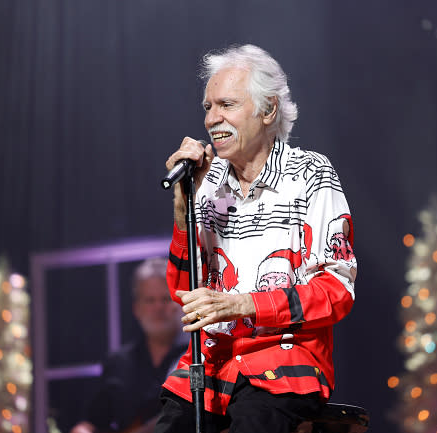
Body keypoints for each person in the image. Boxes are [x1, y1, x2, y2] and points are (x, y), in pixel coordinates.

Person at [156, 44, 358, 433]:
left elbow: (337, 291)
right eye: (207, 107)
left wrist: (244, 304)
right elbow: (185, 293)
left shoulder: (311, 175)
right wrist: (183, 211)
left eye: (226, 105)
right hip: (211, 368)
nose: (213, 119)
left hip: (282, 366)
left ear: (268, 110)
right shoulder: (207, 183)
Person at [70, 257, 188, 433]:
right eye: (150, 300)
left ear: (180, 304)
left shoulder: (199, 357)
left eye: (165, 298)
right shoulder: (118, 363)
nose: (158, 307)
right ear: (136, 308)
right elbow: (92, 421)